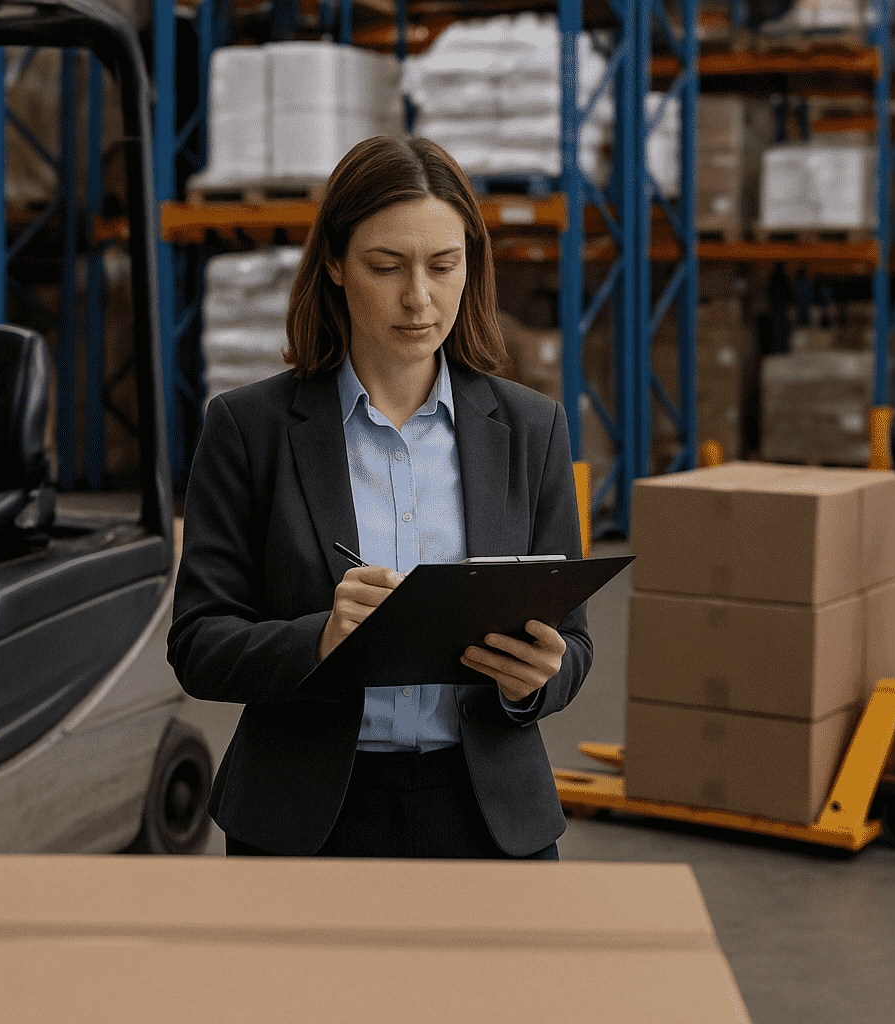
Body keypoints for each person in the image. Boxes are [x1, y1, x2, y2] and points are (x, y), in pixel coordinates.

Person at [167, 135, 591, 859]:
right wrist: (322, 639)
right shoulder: (249, 429)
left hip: (486, 816)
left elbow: (573, 643)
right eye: (386, 266)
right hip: (307, 819)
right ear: (333, 263)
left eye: (443, 266)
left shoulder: (530, 429)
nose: (418, 298)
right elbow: (199, 643)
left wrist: (533, 683)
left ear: (471, 267)